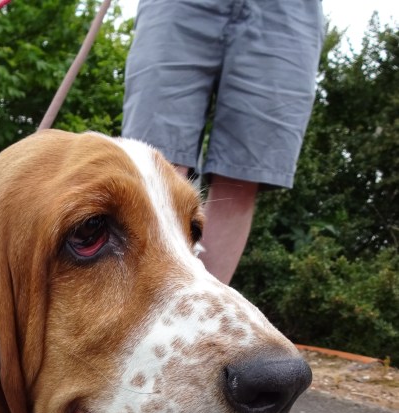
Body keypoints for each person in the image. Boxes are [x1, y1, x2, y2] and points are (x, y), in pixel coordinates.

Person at [122, 0, 325, 284]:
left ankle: (198, 321)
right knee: (152, 165)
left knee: (243, 172)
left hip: (287, 9)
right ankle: (141, 307)